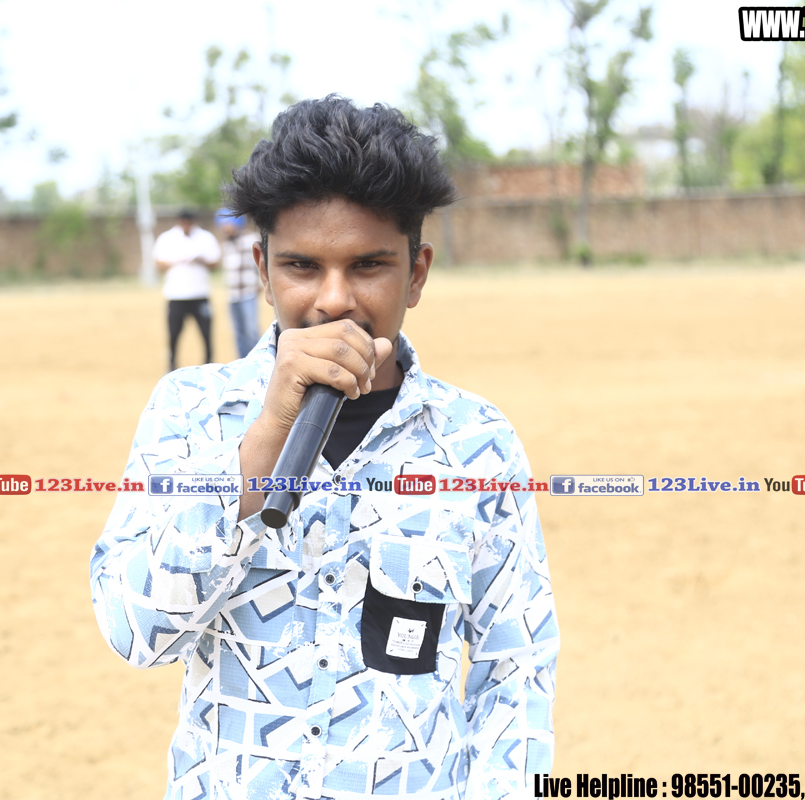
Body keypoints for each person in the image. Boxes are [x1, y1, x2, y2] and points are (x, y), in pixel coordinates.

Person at [90, 96, 559, 799]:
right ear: (263, 269)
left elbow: (515, 670)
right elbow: (138, 631)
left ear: (417, 273)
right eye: (303, 266)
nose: (334, 299)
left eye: (368, 265)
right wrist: (264, 439)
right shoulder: (189, 412)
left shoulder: (477, 444)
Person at [153, 209, 221, 371]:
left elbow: (215, 263)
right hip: (176, 294)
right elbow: (159, 264)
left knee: (206, 332)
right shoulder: (167, 238)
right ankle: (172, 364)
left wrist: (200, 260)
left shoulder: (205, 238)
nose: (186, 226)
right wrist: (177, 260)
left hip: (200, 293)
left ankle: (209, 364)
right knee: (174, 333)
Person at [215, 207, 263, 359]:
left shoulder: (251, 240)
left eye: (228, 224)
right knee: (239, 333)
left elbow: (263, 262)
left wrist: (260, 283)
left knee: (251, 331)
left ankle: (257, 362)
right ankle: (243, 362)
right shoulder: (226, 244)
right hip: (233, 295)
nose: (225, 228)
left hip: (248, 293)